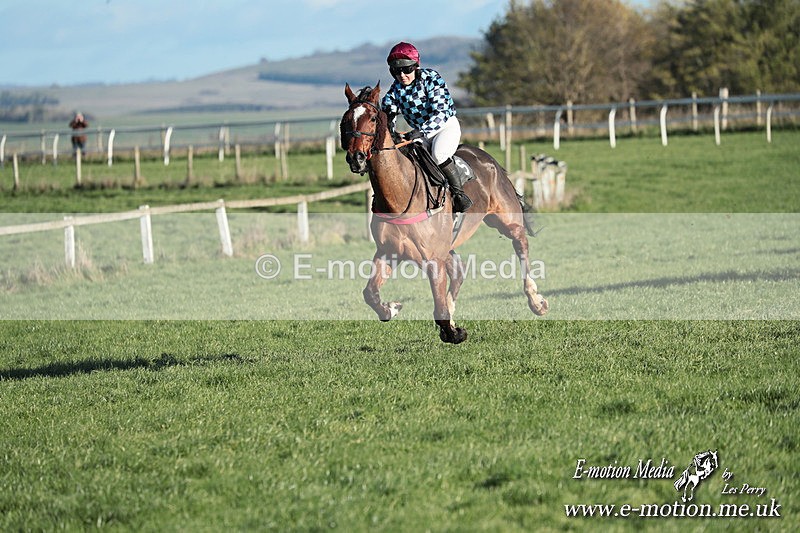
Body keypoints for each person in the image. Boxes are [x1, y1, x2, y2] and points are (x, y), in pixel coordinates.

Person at [381, 42, 473, 212]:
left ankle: (459, 195)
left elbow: (441, 112)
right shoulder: (395, 90)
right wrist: (391, 131)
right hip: (419, 134)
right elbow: (388, 112)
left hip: (444, 127)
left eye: (406, 69)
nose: (402, 75)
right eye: (396, 71)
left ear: (416, 66)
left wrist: (420, 131)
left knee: (438, 155)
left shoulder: (431, 78)